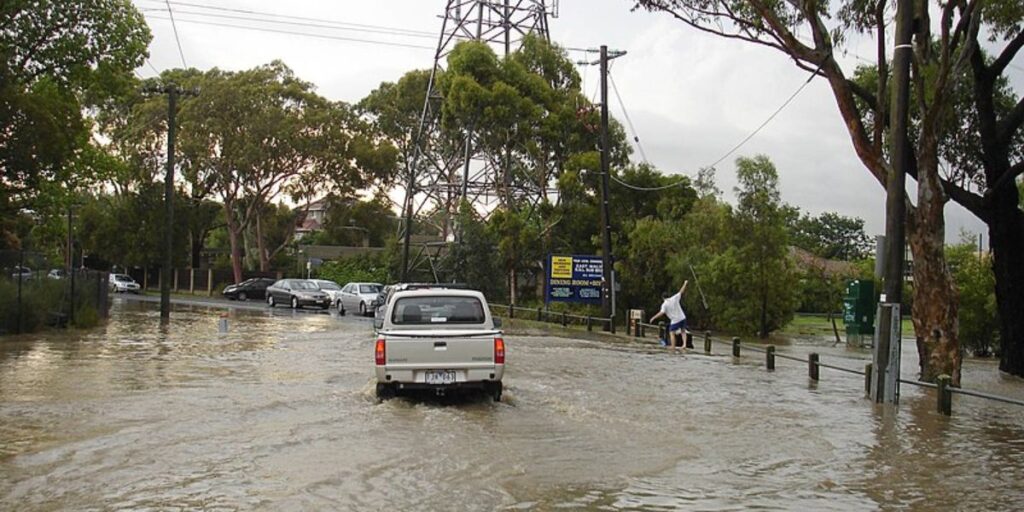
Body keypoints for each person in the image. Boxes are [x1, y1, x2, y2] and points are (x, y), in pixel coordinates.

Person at [649, 280, 688, 350]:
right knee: (683, 331)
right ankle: (684, 344)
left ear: (662, 298)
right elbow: (681, 291)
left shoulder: (664, 304)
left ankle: (673, 346)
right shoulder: (674, 298)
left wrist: (653, 318)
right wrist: (685, 283)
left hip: (675, 320)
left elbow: (661, 313)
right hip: (682, 317)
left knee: (671, 332)